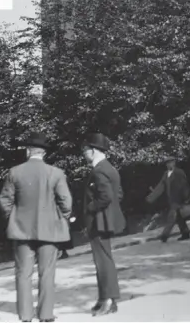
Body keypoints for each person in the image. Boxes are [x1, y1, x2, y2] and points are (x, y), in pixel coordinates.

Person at [0, 132, 73, 323]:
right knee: (47, 273)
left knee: (23, 274)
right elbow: (66, 201)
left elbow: (5, 200)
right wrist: (61, 218)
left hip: (21, 230)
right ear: (44, 153)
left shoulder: (14, 172)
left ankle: (25, 316)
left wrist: (12, 219)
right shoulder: (56, 173)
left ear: (28, 151)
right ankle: (46, 315)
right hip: (50, 230)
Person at [82, 133, 126, 317]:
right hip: (107, 220)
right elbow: (119, 194)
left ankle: (109, 300)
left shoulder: (99, 170)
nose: (84, 154)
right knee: (104, 260)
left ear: (93, 151)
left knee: (103, 262)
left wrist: (91, 207)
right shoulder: (110, 168)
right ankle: (104, 298)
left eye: (85, 151)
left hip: (99, 222)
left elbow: (106, 196)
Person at [146, 156, 190, 242]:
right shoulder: (166, 174)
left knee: (171, 218)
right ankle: (186, 233)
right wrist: (151, 197)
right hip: (171, 200)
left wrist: (186, 198)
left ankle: (164, 236)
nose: (169, 164)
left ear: (174, 162)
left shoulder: (179, 172)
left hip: (178, 200)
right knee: (179, 218)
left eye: (170, 162)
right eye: (167, 163)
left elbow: (184, 185)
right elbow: (160, 186)